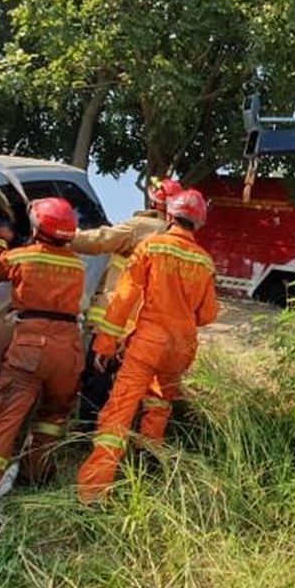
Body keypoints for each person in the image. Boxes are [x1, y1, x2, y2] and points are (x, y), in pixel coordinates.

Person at [76, 189, 218, 504]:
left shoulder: (151, 246)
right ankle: (147, 464)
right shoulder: (204, 262)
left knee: (119, 410)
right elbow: (207, 315)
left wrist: (105, 342)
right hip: (180, 348)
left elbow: (124, 298)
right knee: (158, 404)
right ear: (199, 224)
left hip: (147, 344)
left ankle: (93, 491)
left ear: (170, 216)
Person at [0, 198, 85, 533]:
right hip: (68, 350)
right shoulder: (76, 265)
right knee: (53, 416)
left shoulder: (24, 256)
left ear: (36, 227)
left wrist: (1, 236)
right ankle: (36, 474)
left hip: (31, 347)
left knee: (4, 422)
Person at [68, 177, 180, 428]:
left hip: (114, 321)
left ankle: (86, 433)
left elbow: (99, 240)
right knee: (129, 388)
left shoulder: (143, 226)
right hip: (148, 331)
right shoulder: (180, 244)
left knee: (97, 380)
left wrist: (63, 233)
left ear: (154, 200)